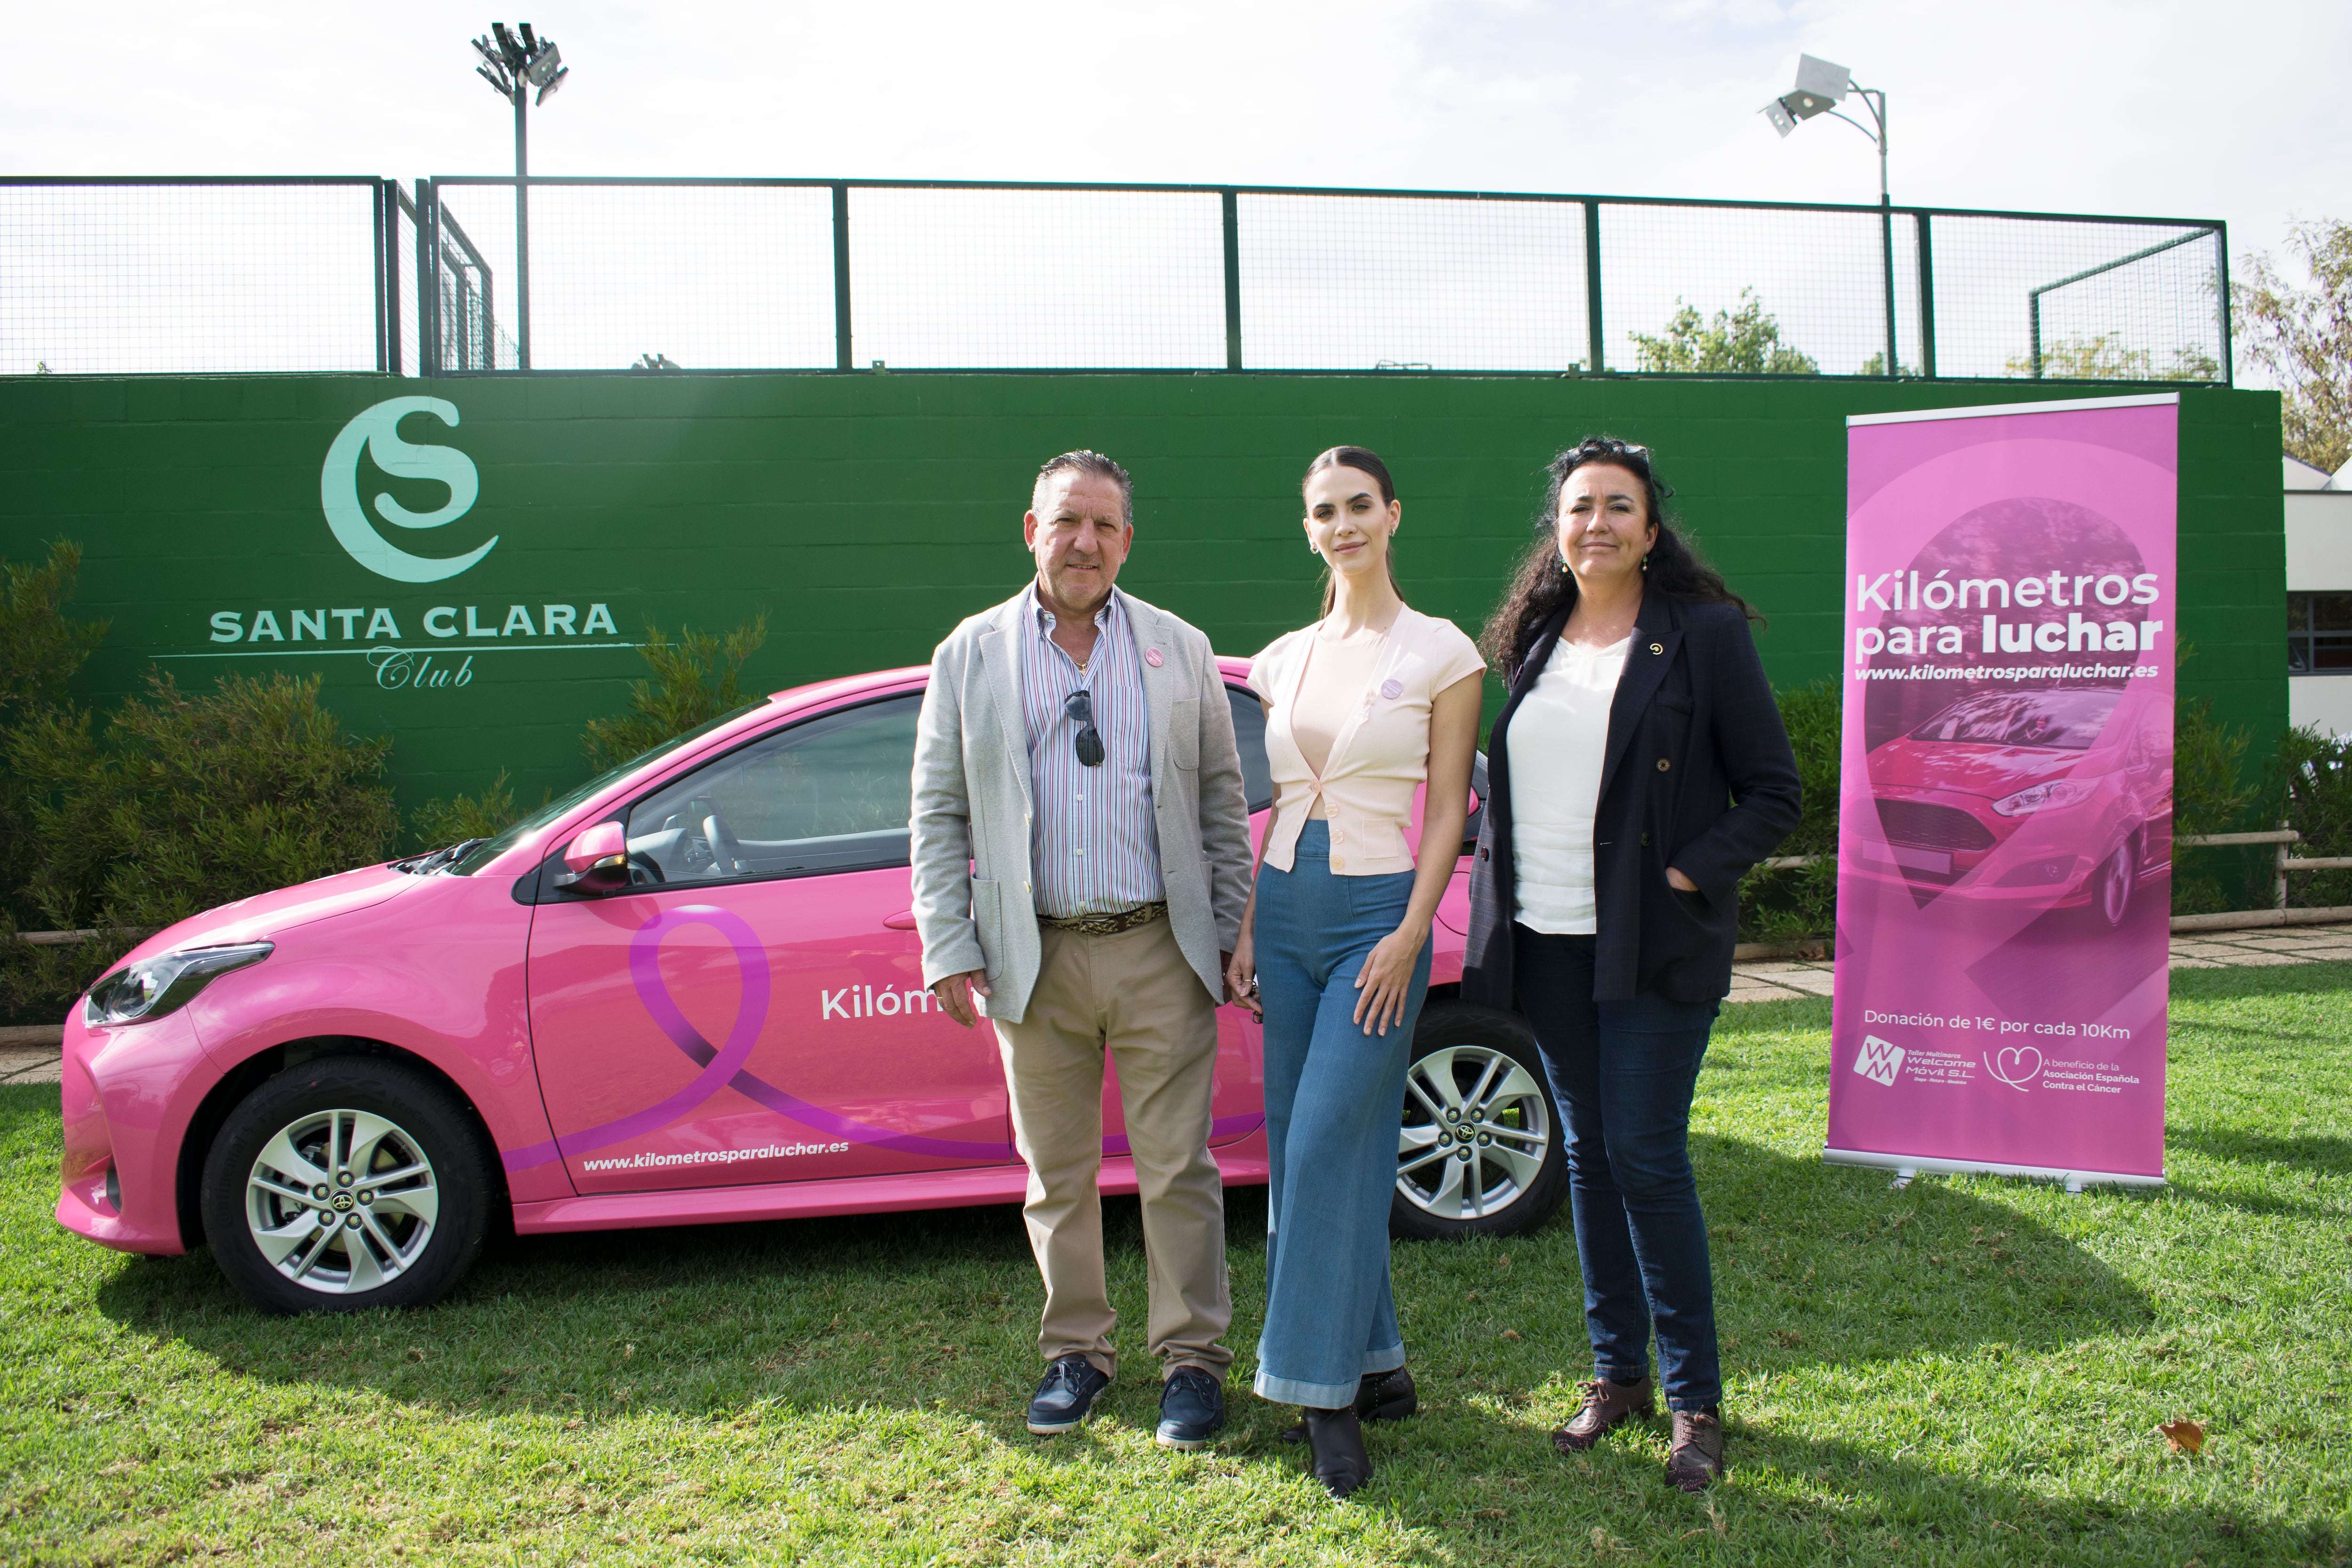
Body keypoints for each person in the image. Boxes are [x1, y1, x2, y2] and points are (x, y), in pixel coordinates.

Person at [1462, 436, 1799, 1491]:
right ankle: (1617, 1379)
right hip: (1547, 940)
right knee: (1588, 1157)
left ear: (1651, 530)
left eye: (1618, 506)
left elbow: (1772, 792)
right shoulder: (1535, 634)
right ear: (1555, 530)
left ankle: (1694, 1399)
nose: (1596, 522)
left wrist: (1690, 877)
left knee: (1646, 1155)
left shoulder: (1701, 634)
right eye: (1578, 507)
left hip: (1652, 945)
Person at [910, 450, 1254, 1450]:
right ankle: (1077, 1351)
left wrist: (1232, 928)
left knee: (1176, 1168)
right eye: (1067, 521)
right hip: (1034, 955)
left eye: (1104, 525)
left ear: (1127, 541)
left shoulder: (1179, 647)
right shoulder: (969, 653)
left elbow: (1220, 806)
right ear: (1031, 529)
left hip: (1159, 946)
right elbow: (936, 810)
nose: (1085, 542)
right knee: (1055, 1171)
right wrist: (948, 938)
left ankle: (1191, 1362)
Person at [1226, 446, 1483, 1498]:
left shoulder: (1442, 651)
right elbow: (1275, 801)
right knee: (1300, 1150)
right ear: (1309, 528)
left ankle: (1316, 1390)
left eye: (1359, 506)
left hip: (1380, 914)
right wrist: (1247, 926)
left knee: (1335, 1135)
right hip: (1283, 910)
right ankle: (1377, 1365)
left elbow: (1450, 806)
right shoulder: (1277, 659)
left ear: (1392, 514)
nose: (1344, 524)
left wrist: (1414, 928)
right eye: (1324, 511)